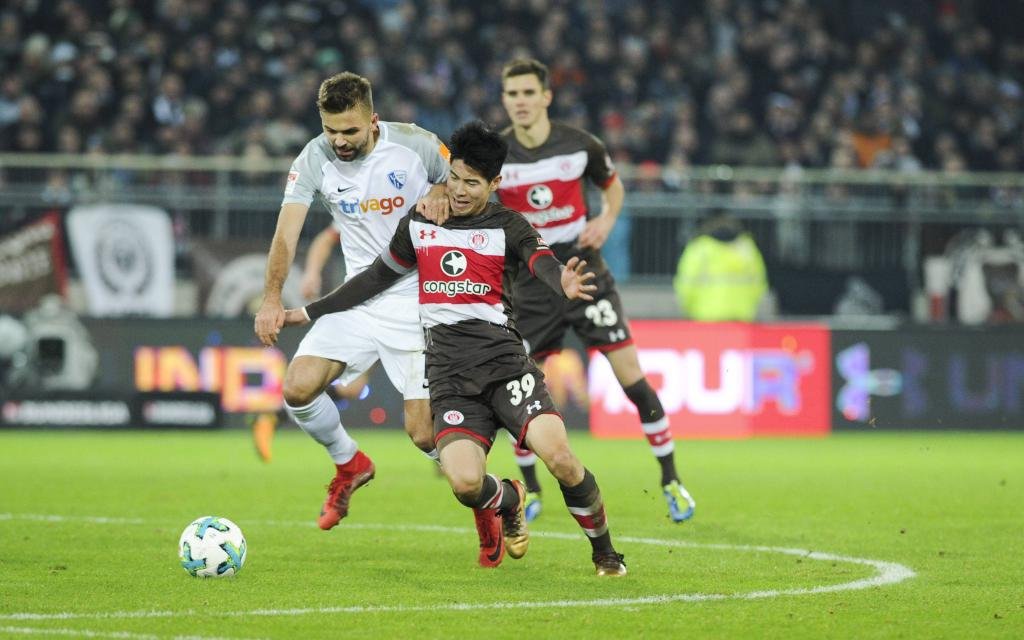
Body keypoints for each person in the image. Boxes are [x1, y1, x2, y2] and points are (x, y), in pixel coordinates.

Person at [283, 121, 628, 576]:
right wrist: (312, 312)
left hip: (506, 368)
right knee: (465, 484)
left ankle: (605, 553)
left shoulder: (509, 225)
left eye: (472, 183)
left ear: (494, 184)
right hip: (449, 376)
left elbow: (541, 260)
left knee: (561, 458)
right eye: (455, 178)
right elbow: (372, 279)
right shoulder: (422, 223)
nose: (460, 191)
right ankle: (509, 498)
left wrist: (560, 279)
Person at [496, 58, 695, 523]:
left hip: (586, 276)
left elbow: (614, 186)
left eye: (529, 93)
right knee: (517, 389)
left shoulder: (581, 145)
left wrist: (605, 219)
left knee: (634, 381)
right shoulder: (496, 154)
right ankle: (531, 489)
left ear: (546, 97)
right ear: (505, 100)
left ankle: (671, 481)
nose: (521, 102)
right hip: (531, 287)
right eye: (512, 94)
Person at [254, 71, 450, 530]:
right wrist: (270, 298)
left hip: (418, 298)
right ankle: (350, 463)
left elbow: (470, 181)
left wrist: (444, 186)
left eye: (350, 131)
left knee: (424, 436)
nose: (339, 141)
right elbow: (287, 232)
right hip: (358, 297)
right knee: (298, 387)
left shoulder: (416, 145)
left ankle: (493, 498)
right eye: (330, 130)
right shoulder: (313, 159)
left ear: (373, 120)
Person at [251, 222, 371, 464]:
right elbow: (327, 237)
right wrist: (312, 272)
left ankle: (273, 415)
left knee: (353, 389)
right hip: (365, 302)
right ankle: (273, 415)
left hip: (410, 307)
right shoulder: (367, 196)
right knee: (346, 387)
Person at [673, 212, 768, 321]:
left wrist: (688, 309)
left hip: (706, 316)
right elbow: (760, 284)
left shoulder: (700, 248)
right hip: (742, 316)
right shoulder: (747, 248)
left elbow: (686, 285)